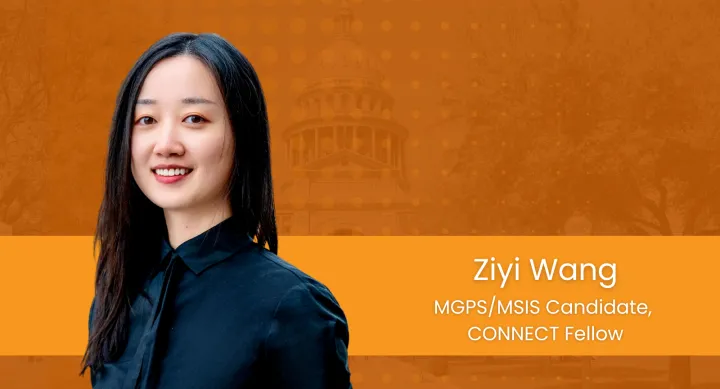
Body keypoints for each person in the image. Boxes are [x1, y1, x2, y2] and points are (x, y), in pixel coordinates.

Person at [80, 32, 352, 388]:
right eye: (146, 120)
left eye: (194, 118)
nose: (166, 145)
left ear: (243, 134)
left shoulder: (292, 305)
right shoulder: (117, 295)